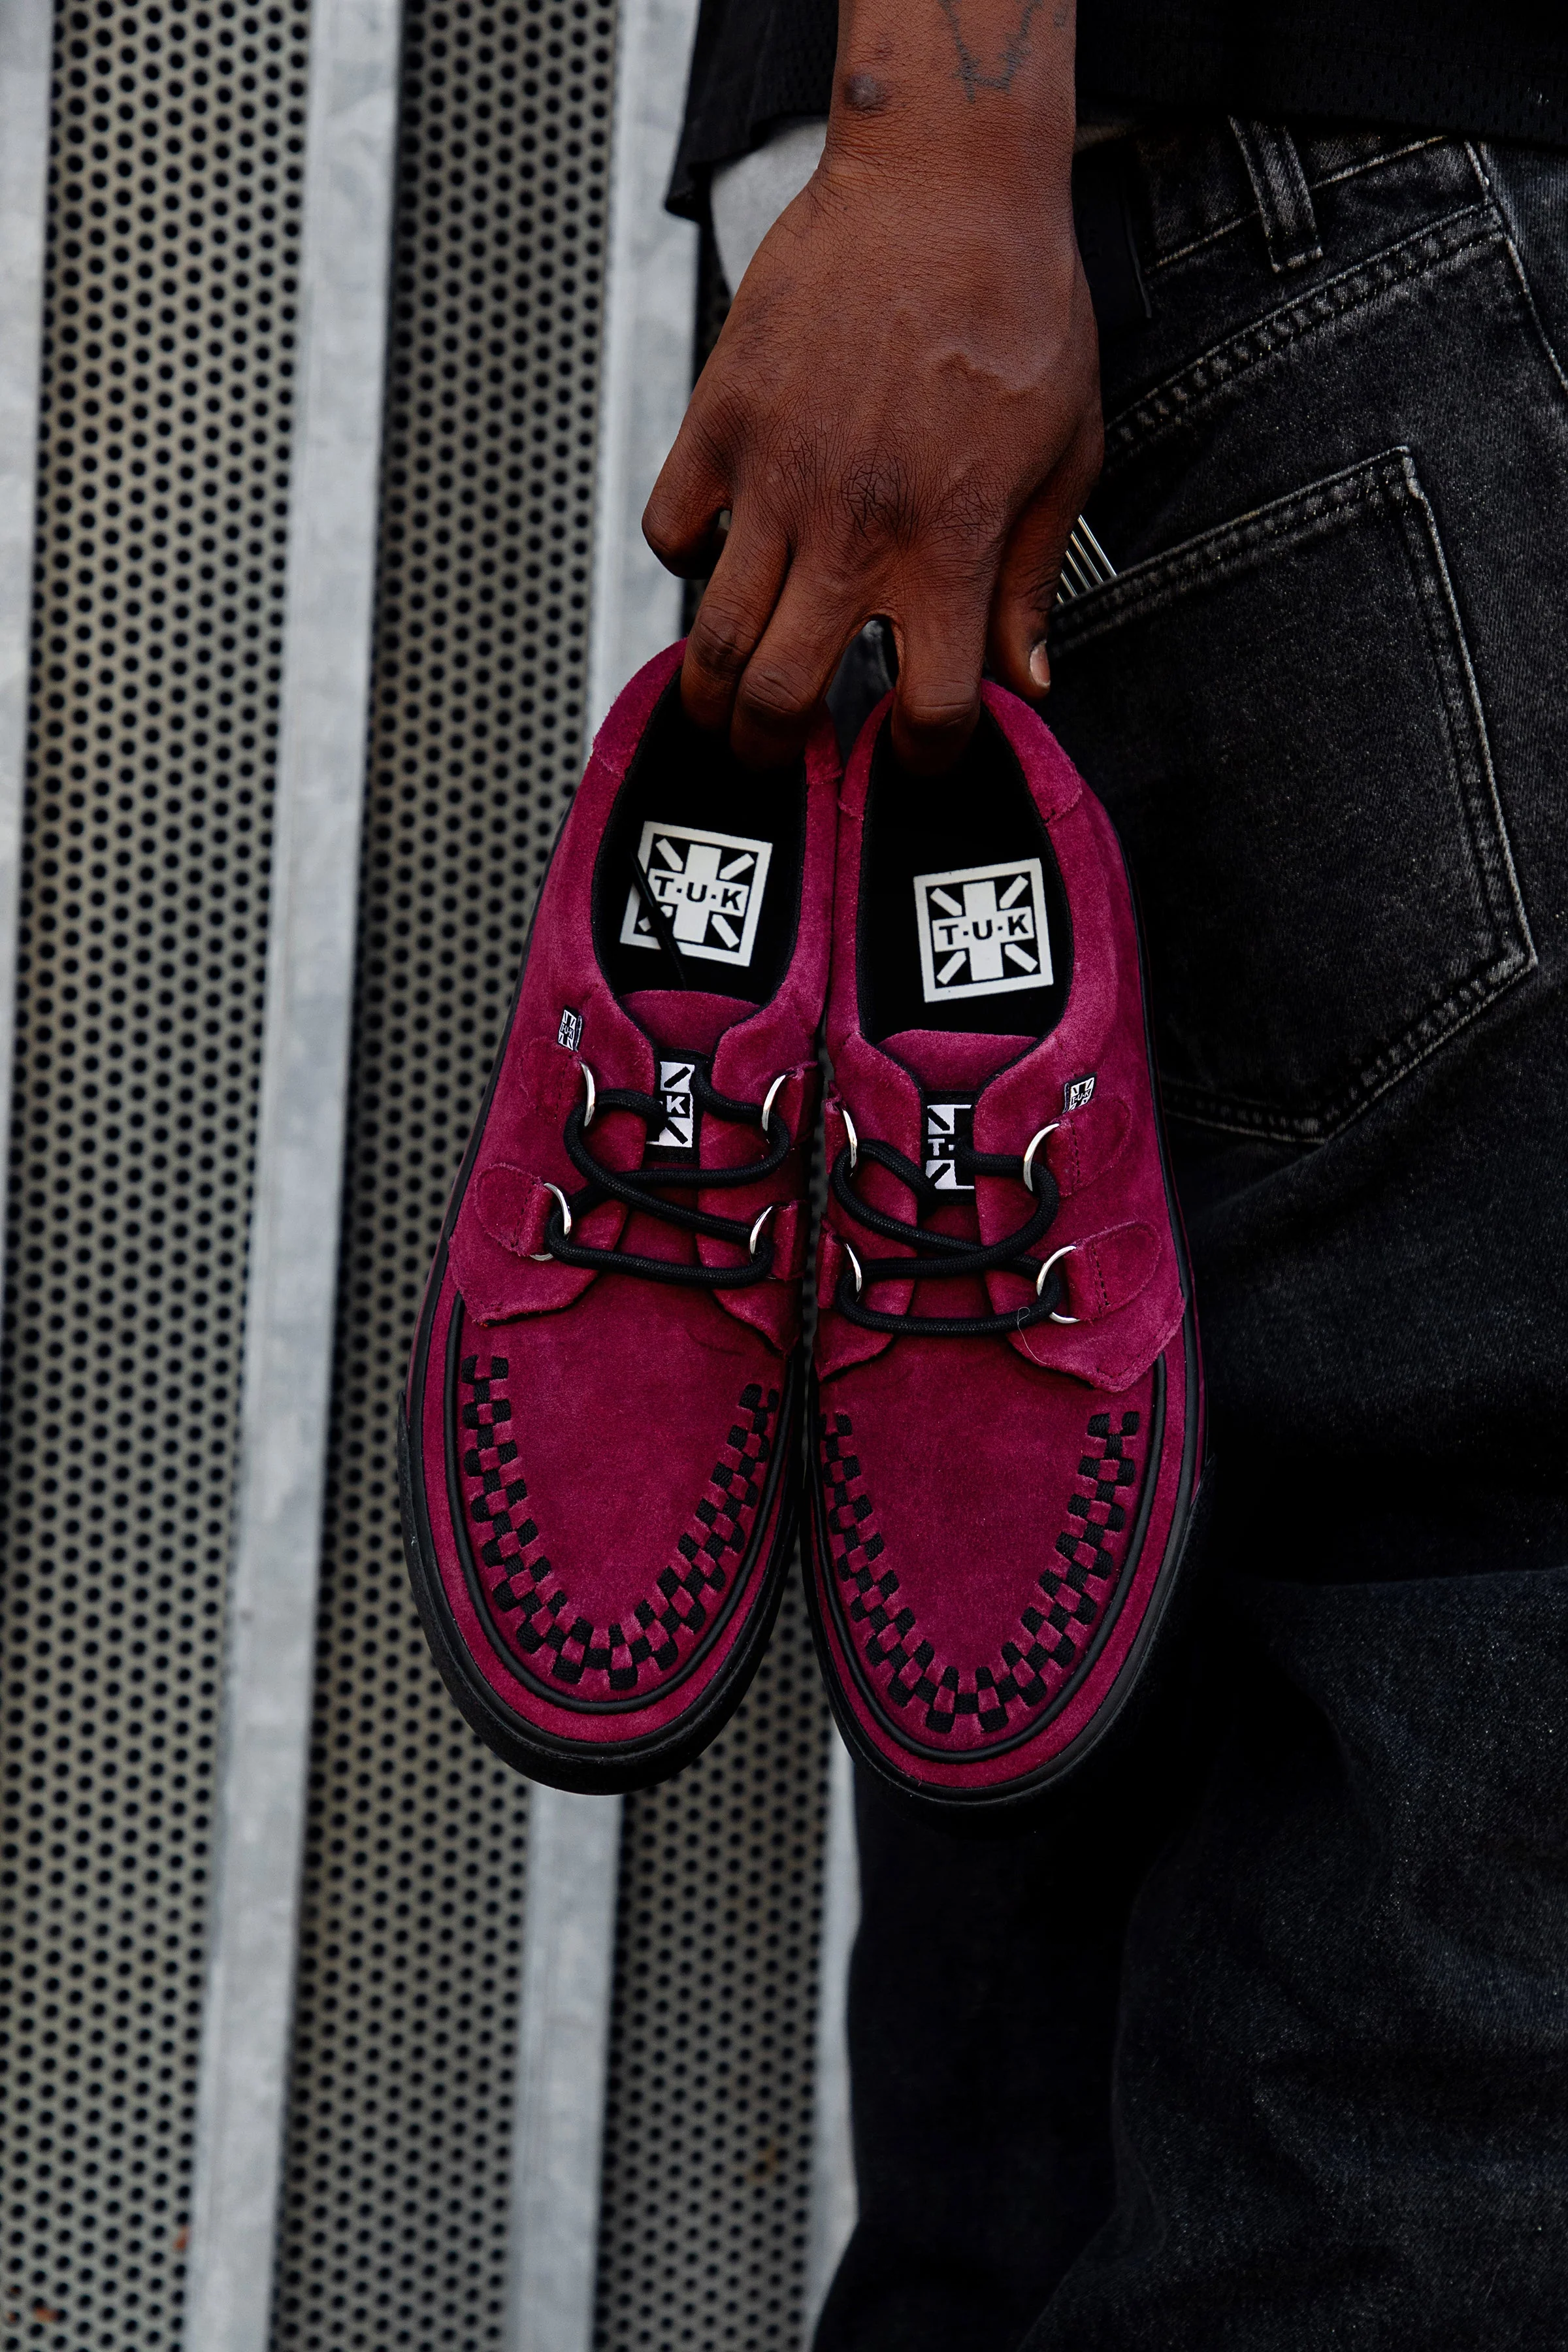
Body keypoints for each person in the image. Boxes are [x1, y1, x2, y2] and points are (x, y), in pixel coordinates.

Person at [649, 6, 1568, 2347]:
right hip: (1320, 212)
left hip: (1149, 262)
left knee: (1045, 1899)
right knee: (1460, 1918)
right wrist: (939, 152)